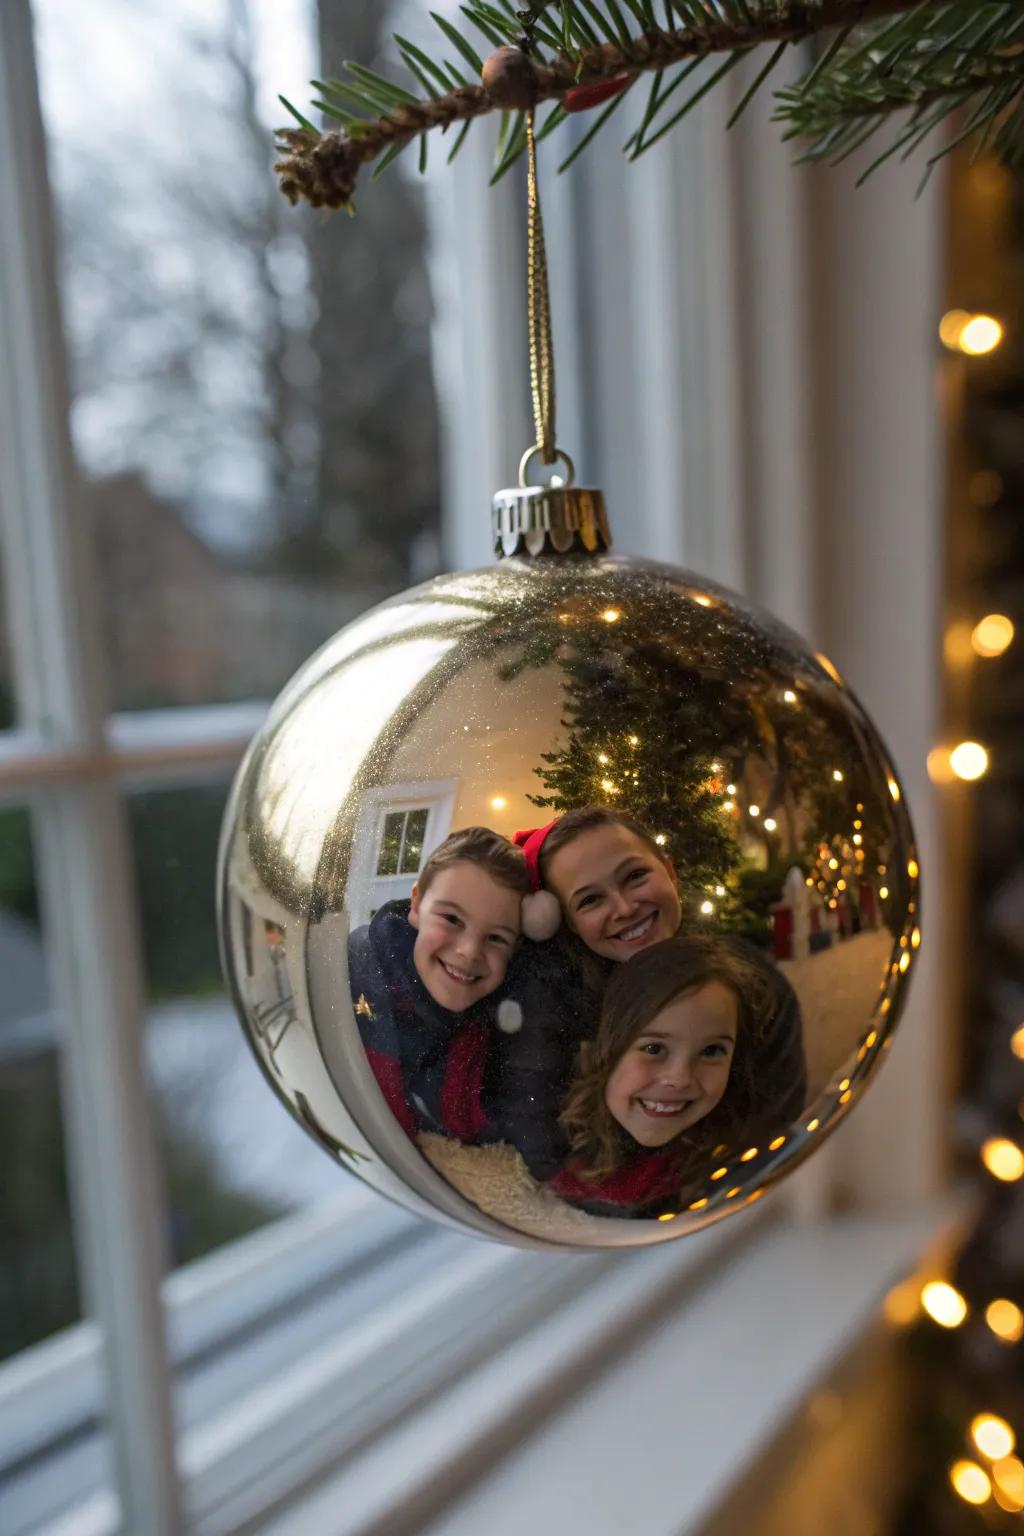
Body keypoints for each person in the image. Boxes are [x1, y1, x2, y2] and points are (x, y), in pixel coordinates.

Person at [549, 935, 797, 1216]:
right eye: (654, 1048)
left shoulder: (743, 1150)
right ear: (605, 1048)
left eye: (712, 1050)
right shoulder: (548, 1153)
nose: (679, 1078)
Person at [348, 826, 530, 1143]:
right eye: (452, 919)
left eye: (497, 938)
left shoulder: (504, 1016)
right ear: (416, 905)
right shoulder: (358, 977)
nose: (470, 951)